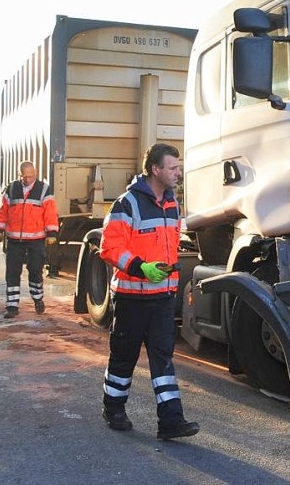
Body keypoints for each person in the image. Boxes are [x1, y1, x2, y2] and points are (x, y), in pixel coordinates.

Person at [100, 143, 199, 441]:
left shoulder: (172, 203)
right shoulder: (126, 203)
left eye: (178, 167)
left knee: (163, 359)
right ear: (155, 169)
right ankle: (113, 408)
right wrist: (140, 267)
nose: (178, 173)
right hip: (132, 298)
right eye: (173, 167)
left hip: (162, 298)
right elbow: (109, 248)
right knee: (124, 356)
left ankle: (171, 421)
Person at [0, 161, 59, 318]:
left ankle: (38, 299)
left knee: (36, 270)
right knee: (12, 272)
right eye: (25, 176)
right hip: (14, 239)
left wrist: (52, 233)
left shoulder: (44, 189)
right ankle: (11, 306)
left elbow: (50, 213)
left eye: (31, 176)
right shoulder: (12, 188)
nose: (28, 179)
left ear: (35, 173)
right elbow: (4, 210)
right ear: (20, 175)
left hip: (36, 239)